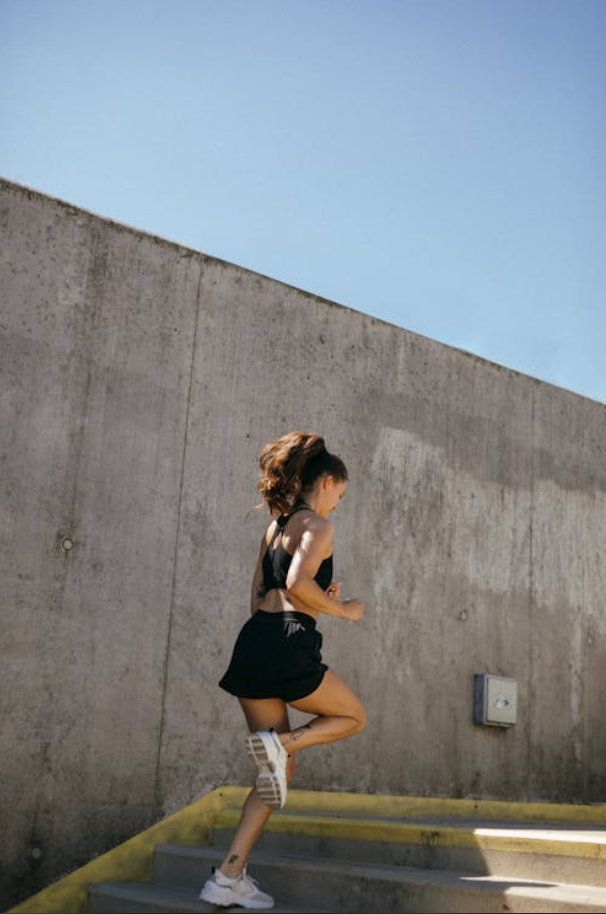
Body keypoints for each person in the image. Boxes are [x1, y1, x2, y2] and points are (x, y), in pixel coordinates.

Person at [199, 431, 366, 910]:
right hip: (289, 644)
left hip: (254, 643)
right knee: (353, 717)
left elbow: (260, 594)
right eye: (341, 494)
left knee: (278, 773)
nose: (339, 505)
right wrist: (345, 610)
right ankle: (283, 742)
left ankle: (228, 876)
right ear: (328, 481)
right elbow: (297, 584)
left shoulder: (275, 527)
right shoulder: (319, 526)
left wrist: (314, 600)